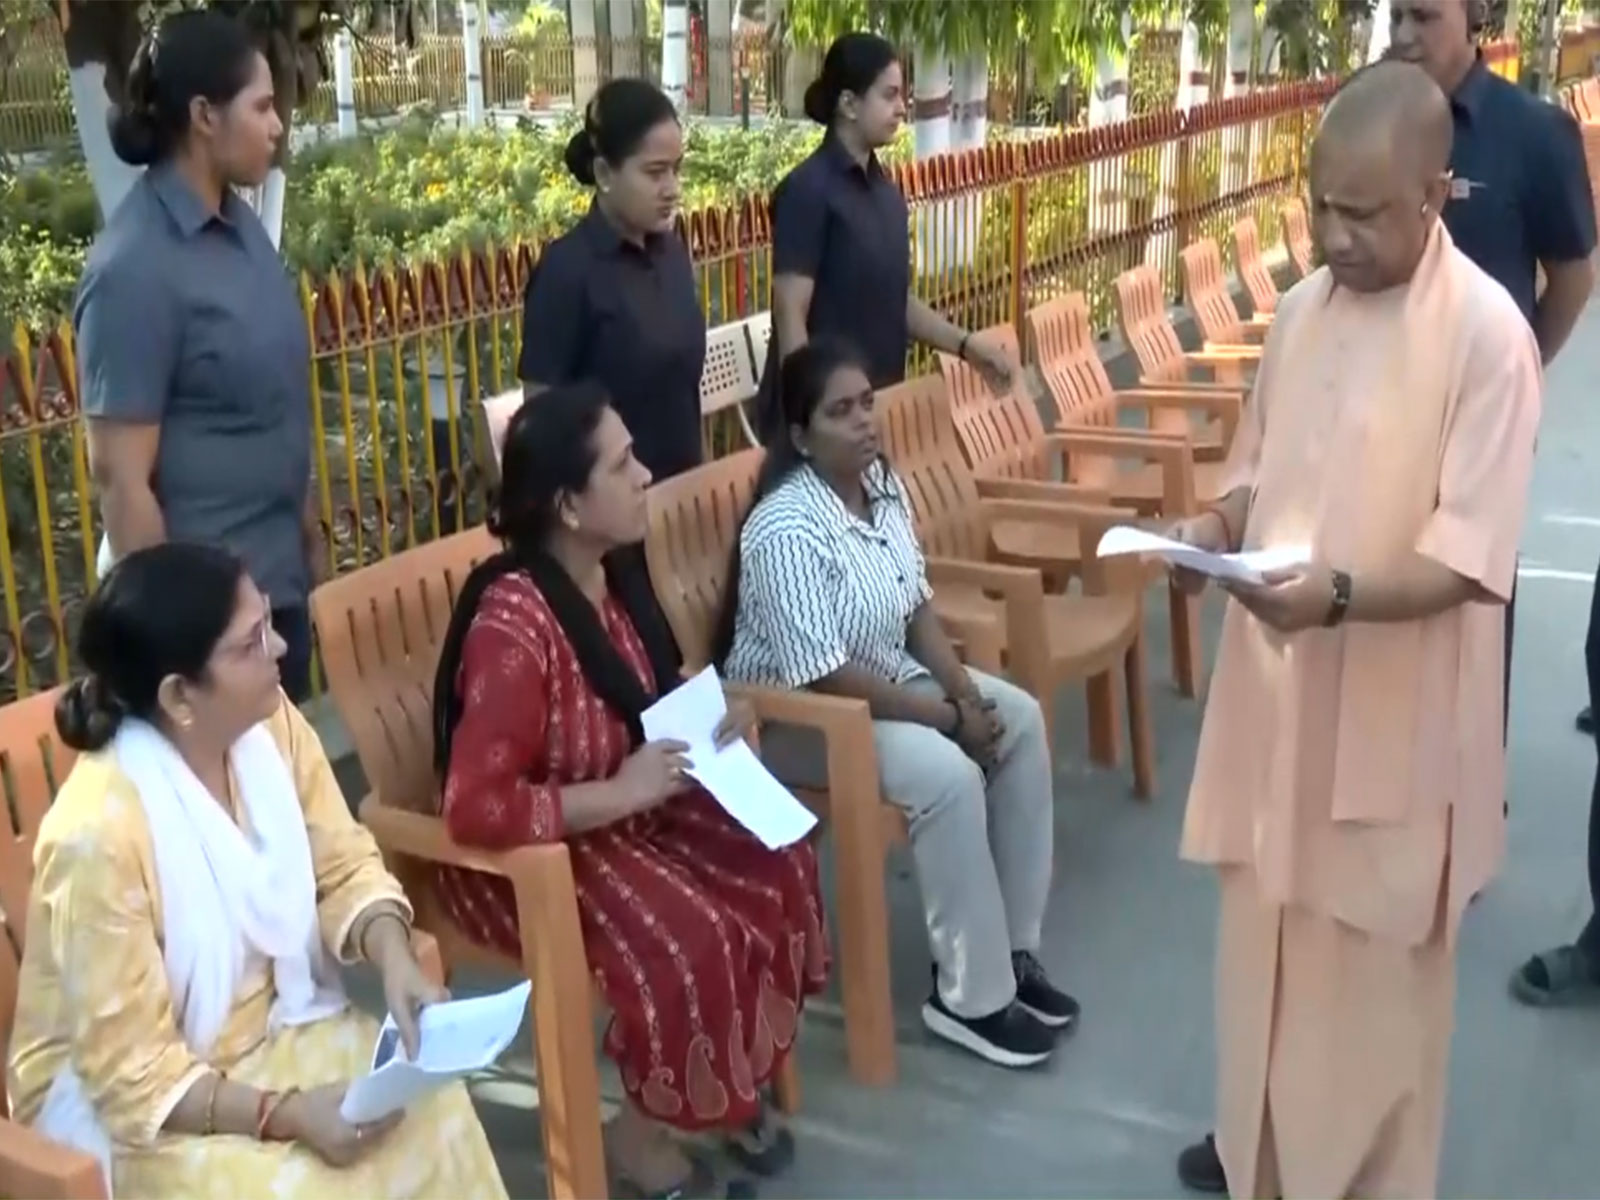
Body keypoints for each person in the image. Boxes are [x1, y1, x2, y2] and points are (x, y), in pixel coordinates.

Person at [1167, 61, 1540, 1197]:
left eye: (1362, 212)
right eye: (1318, 203)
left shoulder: (1486, 338)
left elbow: (1471, 561)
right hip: (1272, 720)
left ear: (1435, 197)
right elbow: (1257, 468)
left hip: (1391, 734)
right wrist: (1210, 524)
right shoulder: (1295, 313)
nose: (1331, 233)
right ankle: (1253, 1166)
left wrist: (1334, 598)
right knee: (1260, 991)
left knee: (1371, 1041)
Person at [7, 543, 506, 1198]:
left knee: (434, 1113)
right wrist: (288, 1116)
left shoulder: (273, 730)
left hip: (276, 1030)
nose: (278, 649)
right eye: (249, 644)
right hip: (138, 1105)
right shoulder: (97, 835)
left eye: (268, 623)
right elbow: (130, 1076)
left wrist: (395, 958)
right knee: (301, 1188)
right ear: (180, 695)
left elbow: (343, 864)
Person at [432, 382, 829, 1199]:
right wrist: (619, 793)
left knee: (779, 861)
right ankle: (638, 1138)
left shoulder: (614, 577)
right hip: (535, 860)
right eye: (623, 464)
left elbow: (655, 692)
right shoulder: (514, 624)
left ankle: (720, 1086)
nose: (647, 474)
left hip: (630, 812)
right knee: (692, 936)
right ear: (570, 507)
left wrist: (725, 712)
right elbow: (475, 807)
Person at [719, 340, 1078, 1071]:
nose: (863, 422)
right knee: (946, 774)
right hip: (798, 721)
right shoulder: (784, 528)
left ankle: (1011, 952)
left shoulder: (882, 486)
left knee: (1021, 724)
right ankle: (970, 999)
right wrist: (948, 721)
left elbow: (917, 610)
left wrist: (967, 694)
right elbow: (825, 676)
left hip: (889, 686)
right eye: (839, 411)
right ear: (799, 436)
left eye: (866, 404)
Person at [76, 11, 322, 702]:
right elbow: (122, 484)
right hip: (208, 642)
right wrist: (174, 643)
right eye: (263, 106)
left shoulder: (243, 234)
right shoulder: (134, 269)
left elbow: (272, 405)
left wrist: (307, 537)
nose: (277, 125)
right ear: (204, 116)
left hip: (276, 600)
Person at [1387, 0, 1597, 743]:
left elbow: (1573, 274)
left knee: (1470, 614)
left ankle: (1464, 796)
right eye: (1396, 17)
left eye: (1424, 17)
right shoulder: (1367, 111)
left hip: (1479, 434)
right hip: (1376, 421)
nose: (1405, 36)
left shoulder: (1533, 135)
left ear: (1474, 15)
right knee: (1371, 607)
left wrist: (1521, 373)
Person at [756, 33, 1012, 439]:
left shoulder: (886, 194)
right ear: (849, 104)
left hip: (874, 410)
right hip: (822, 427)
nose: (901, 107)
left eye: (903, 95)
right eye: (889, 95)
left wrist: (966, 346)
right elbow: (791, 311)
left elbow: (895, 301)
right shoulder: (807, 191)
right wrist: (808, 415)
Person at [516, 78, 706, 485]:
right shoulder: (566, 272)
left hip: (682, 500)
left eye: (676, 170)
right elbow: (542, 423)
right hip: (608, 521)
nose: (672, 189)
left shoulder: (672, 253)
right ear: (604, 172)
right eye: (655, 173)